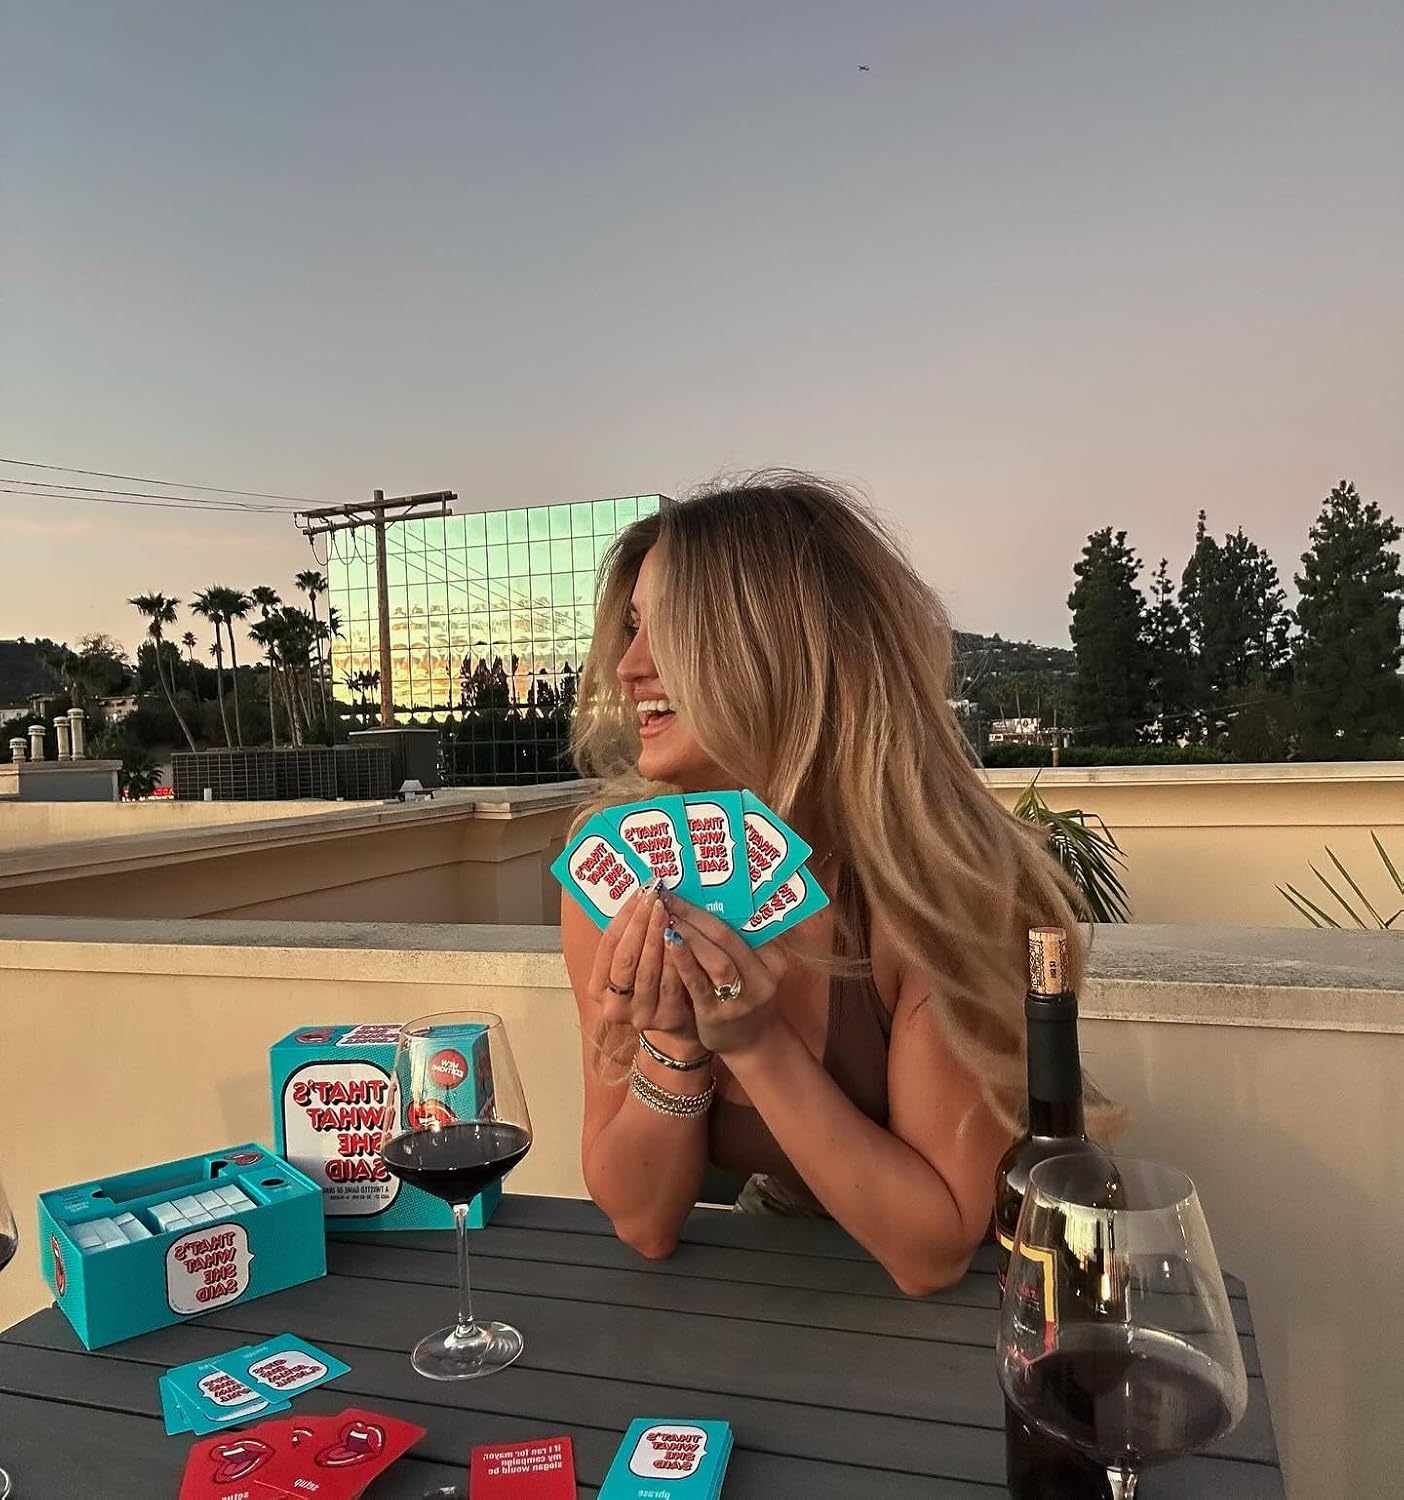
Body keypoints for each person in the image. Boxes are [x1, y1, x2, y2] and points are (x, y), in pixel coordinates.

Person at [561, 474, 1096, 1296]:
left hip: (1001, 1299)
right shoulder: (622, 875)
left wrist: (756, 1043)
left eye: (668, 630)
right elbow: (642, 1220)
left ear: (780, 648)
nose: (629, 667)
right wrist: (675, 1044)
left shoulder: (940, 889)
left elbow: (934, 1252)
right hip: (783, 1284)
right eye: (632, 628)